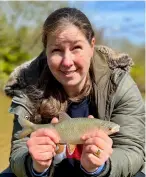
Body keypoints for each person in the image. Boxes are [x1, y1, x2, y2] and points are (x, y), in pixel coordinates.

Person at [2, 7, 145, 177]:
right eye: (56, 50)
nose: (67, 62)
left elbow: (133, 150)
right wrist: (34, 165)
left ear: (92, 46)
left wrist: (100, 166)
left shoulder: (119, 85)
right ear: (45, 51)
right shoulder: (28, 84)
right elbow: (18, 151)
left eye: (76, 47)